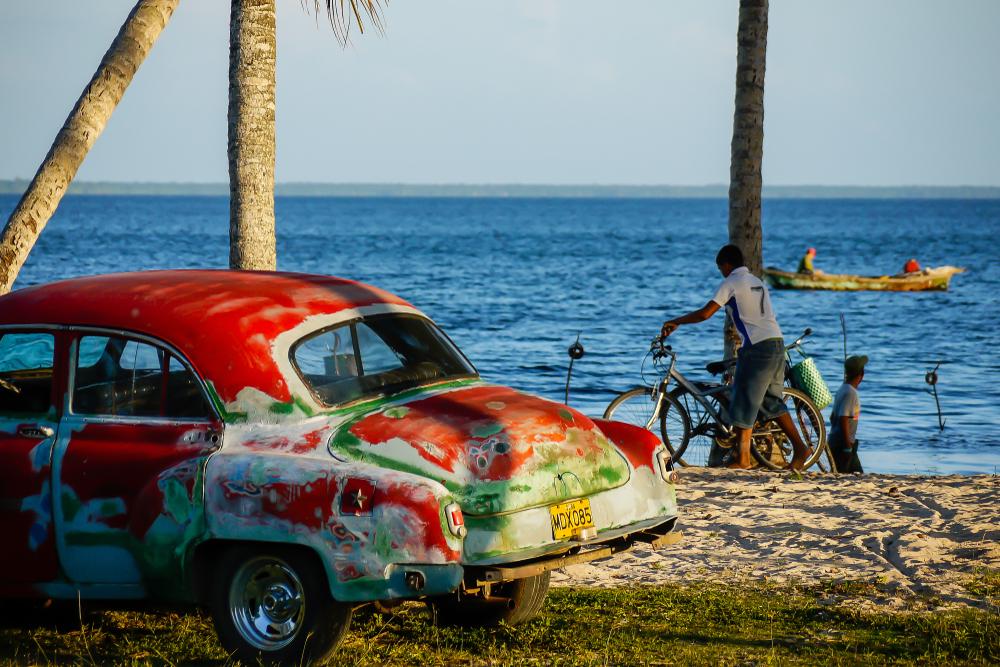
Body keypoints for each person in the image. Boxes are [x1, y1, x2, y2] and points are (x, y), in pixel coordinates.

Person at [660, 245, 813, 470]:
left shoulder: (730, 283)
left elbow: (705, 313)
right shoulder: (758, 282)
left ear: (727, 264)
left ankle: (742, 459)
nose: (720, 272)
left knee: (743, 399)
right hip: (777, 344)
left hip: (757, 348)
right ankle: (800, 448)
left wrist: (676, 321)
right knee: (770, 402)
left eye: (720, 267)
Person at [829, 355, 867, 474]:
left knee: (842, 473)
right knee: (855, 474)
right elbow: (842, 420)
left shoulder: (842, 389)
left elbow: (832, 417)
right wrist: (847, 447)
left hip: (836, 442)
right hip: (843, 445)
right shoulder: (851, 393)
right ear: (862, 374)